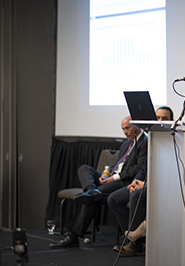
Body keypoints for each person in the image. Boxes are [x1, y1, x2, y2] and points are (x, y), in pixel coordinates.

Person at [49, 115, 148, 248]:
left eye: (127, 128)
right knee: (84, 169)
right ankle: (91, 189)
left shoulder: (145, 142)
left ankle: (73, 236)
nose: (125, 132)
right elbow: (120, 164)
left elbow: (138, 168)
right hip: (113, 177)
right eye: (123, 129)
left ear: (136, 127)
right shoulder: (126, 144)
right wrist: (107, 173)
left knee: (91, 198)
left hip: (124, 181)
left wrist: (115, 177)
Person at [107, 106, 173, 255]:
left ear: (172, 121)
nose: (160, 121)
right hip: (145, 182)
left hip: (164, 186)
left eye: (165, 118)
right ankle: (131, 236)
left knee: (135, 195)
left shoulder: (175, 141)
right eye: (158, 118)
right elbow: (144, 167)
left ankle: (133, 242)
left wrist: (146, 184)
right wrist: (137, 181)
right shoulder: (152, 139)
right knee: (113, 199)